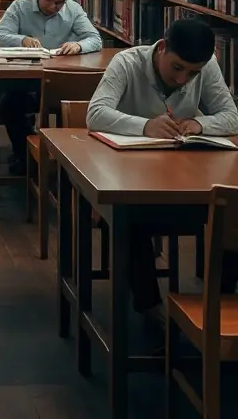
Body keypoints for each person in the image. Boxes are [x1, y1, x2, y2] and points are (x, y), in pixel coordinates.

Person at [87, 18, 238, 325]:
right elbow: (96, 113)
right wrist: (145, 126)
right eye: (177, 68)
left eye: (193, 73)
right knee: (129, 220)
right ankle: (149, 309)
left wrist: (199, 124)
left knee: (231, 215)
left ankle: (218, 309)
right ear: (162, 48)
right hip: (129, 177)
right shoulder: (126, 62)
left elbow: (231, 116)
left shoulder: (205, 68)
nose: (184, 79)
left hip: (188, 178)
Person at [0, 0, 102, 174]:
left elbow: (95, 39)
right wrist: (21, 39)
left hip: (58, 81)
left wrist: (79, 46)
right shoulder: (20, 7)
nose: (53, 6)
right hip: (24, 81)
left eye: (59, 2)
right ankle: (25, 155)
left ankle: (67, 164)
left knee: (76, 105)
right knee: (9, 106)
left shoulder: (73, 10)